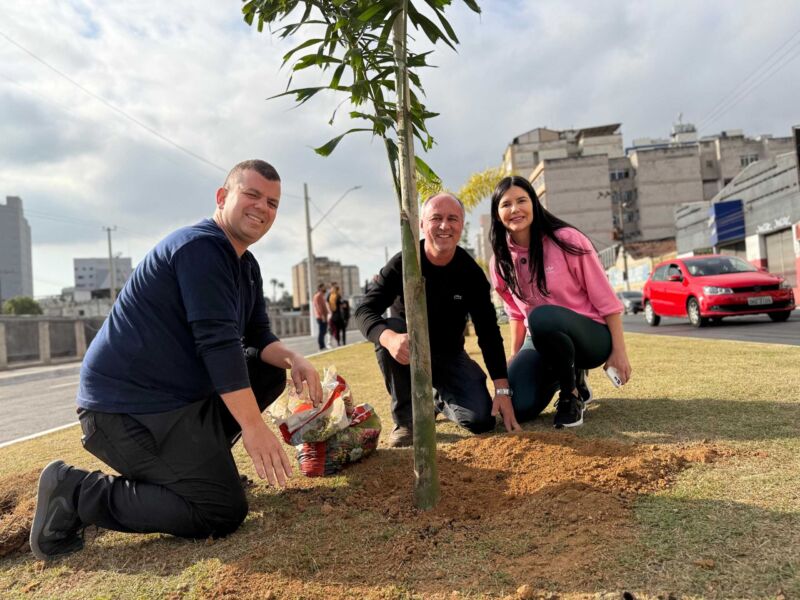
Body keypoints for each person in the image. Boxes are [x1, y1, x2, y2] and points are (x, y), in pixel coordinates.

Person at [29, 160, 323, 561]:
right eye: (251, 195)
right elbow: (218, 344)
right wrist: (253, 427)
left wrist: (293, 358)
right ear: (223, 197)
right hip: (124, 412)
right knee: (220, 511)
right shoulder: (200, 248)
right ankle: (76, 491)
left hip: (174, 405)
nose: (262, 208)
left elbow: (257, 336)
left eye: (272, 202)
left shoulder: (244, 264)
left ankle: (203, 466)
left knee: (269, 367)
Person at [355, 193, 519, 448]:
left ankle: (435, 398)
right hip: (408, 353)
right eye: (436, 218)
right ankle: (407, 421)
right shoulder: (403, 263)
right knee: (390, 329)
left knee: (482, 421)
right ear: (422, 224)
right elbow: (365, 310)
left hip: (450, 355)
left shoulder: (470, 273)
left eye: (452, 219)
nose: (444, 226)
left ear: (462, 225)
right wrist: (389, 339)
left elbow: (488, 331)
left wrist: (502, 389)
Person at [488, 175, 631, 429]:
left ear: (534, 203)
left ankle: (571, 394)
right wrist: (515, 354)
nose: (515, 209)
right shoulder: (500, 261)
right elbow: (516, 313)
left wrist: (619, 352)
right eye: (506, 204)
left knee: (542, 317)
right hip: (541, 337)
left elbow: (606, 300)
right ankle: (566, 372)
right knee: (519, 406)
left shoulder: (566, 240)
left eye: (522, 200)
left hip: (589, 335)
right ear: (497, 214)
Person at [312, 282, 329, 351]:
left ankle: (323, 345)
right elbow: (319, 307)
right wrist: (323, 316)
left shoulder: (321, 295)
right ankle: (321, 346)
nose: (325, 288)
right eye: (324, 287)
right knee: (322, 331)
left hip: (323, 316)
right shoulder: (318, 296)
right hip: (321, 316)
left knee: (324, 331)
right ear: (320, 288)